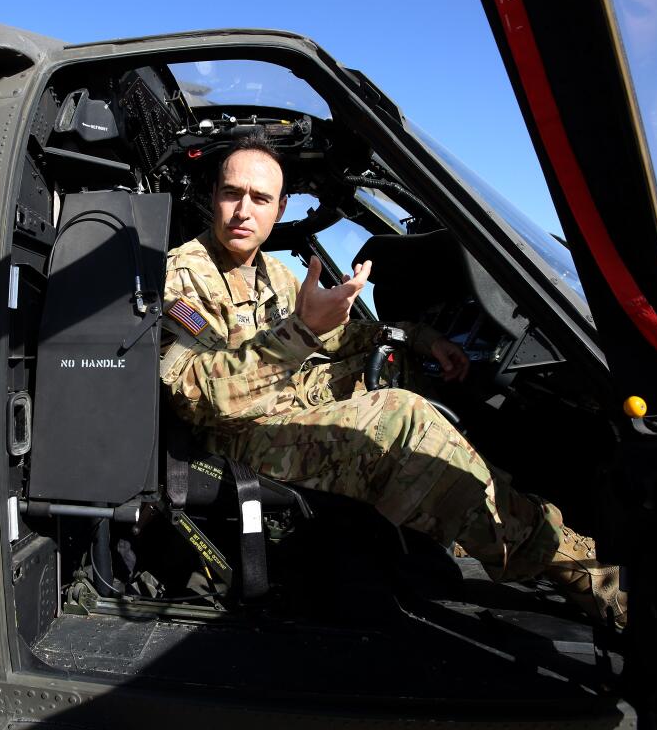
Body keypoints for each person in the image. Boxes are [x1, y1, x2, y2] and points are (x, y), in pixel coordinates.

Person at [159, 137, 626, 626]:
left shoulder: (274, 274)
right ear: (213, 196)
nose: (242, 211)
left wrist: (417, 337)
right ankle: (573, 569)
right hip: (234, 439)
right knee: (402, 419)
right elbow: (199, 396)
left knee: (400, 399)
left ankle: (495, 522)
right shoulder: (182, 277)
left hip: (287, 417)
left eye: (259, 199)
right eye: (233, 193)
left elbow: (340, 335)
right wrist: (301, 331)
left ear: (279, 209)